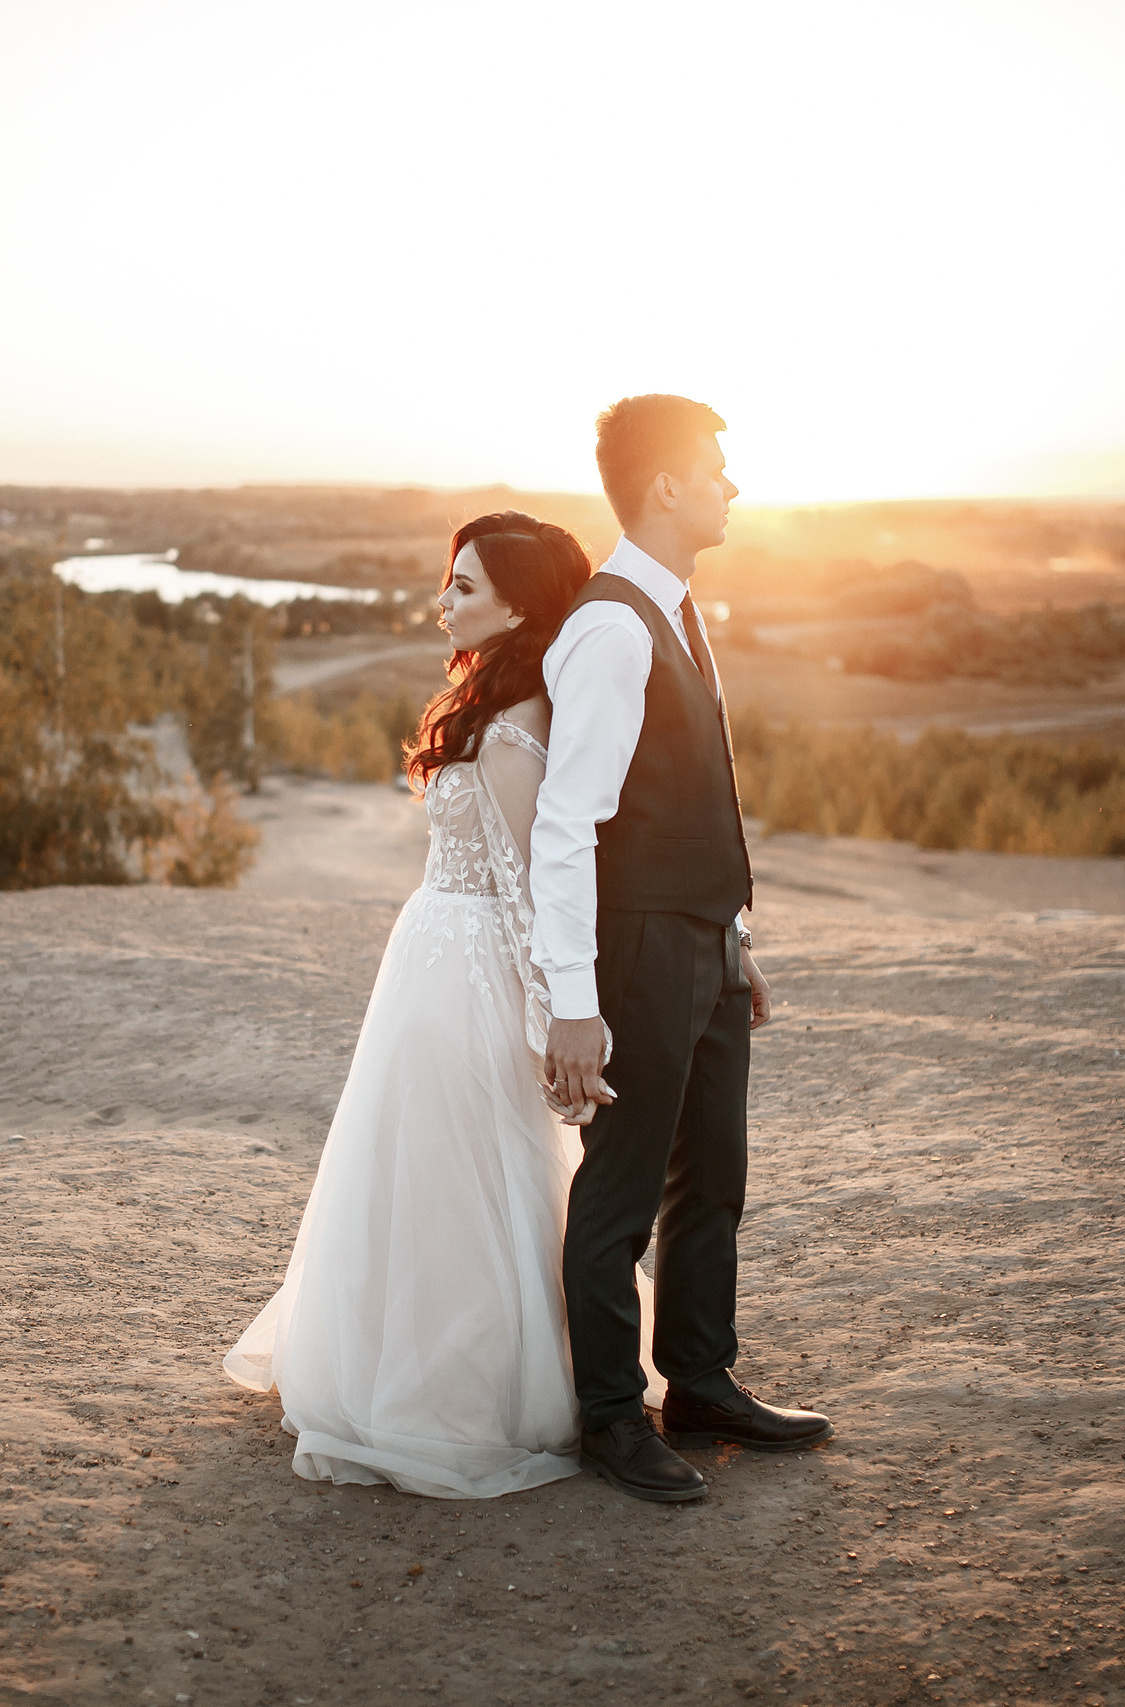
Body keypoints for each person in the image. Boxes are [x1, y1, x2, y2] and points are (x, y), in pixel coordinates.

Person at [223, 511, 619, 1498]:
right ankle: (390, 1363)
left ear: (522, 604)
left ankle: (464, 1396)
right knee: (412, 1168)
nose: (444, 601)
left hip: (474, 970)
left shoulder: (520, 727)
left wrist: (556, 1025)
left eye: (466, 587)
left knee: (470, 1172)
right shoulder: (485, 699)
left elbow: (539, 887)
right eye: (448, 582)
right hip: (431, 959)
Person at [533, 395, 833, 1504]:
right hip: (637, 946)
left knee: (714, 1178)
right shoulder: (612, 627)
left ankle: (699, 1381)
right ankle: (611, 1418)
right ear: (663, 486)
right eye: (715, 467)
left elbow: (693, 796)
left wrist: (734, 935)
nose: (731, 486)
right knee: (618, 1194)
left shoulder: (677, 610)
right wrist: (573, 999)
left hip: (702, 941)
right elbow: (568, 827)